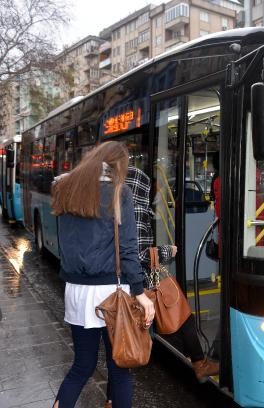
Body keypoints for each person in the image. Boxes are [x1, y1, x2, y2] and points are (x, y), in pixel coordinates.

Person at [51, 141, 154, 408]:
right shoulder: (120, 192)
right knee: (119, 369)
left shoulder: (65, 188)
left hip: (76, 291)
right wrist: (141, 294)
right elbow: (129, 249)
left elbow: (66, 243)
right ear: (118, 165)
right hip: (111, 293)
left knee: (82, 366)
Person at [125, 166, 218, 381]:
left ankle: (198, 362)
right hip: (139, 280)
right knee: (181, 313)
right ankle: (199, 363)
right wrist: (167, 251)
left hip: (133, 279)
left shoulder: (121, 208)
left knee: (176, 315)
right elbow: (137, 253)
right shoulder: (137, 210)